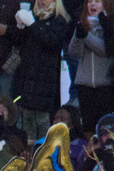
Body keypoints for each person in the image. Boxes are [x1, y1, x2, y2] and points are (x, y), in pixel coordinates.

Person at [14, 0, 71, 141]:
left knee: (44, 136)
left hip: (45, 88)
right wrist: (19, 27)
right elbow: (19, 43)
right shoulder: (33, 16)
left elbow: (51, 41)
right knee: (26, 135)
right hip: (26, 85)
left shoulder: (60, 20)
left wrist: (32, 25)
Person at [70, 0, 114, 126]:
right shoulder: (83, 24)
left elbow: (105, 50)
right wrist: (78, 37)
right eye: (90, 1)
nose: (93, 4)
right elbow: (74, 53)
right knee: (88, 127)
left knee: (105, 127)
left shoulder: (110, 24)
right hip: (84, 84)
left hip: (105, 85)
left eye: (97, 1)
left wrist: (86, 37)